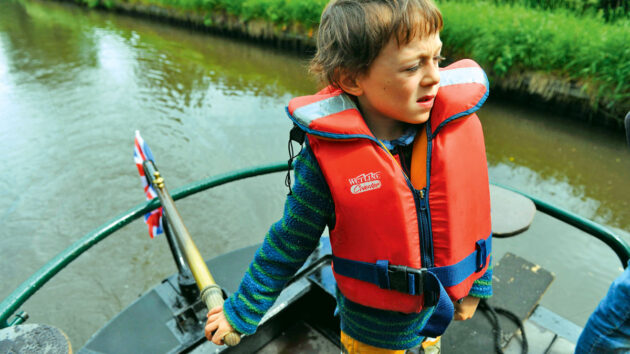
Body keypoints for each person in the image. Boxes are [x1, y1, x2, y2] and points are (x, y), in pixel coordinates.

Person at [205, 0, 494, 352]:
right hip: (373, 336)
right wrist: (240, 312)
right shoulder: (325, 162)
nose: (434, 76)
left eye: (437, 58)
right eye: (412, 67)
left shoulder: (450, 130)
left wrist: (477, 283)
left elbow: (474, 213)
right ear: (351, 79)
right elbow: (289, 241)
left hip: (440, 312)